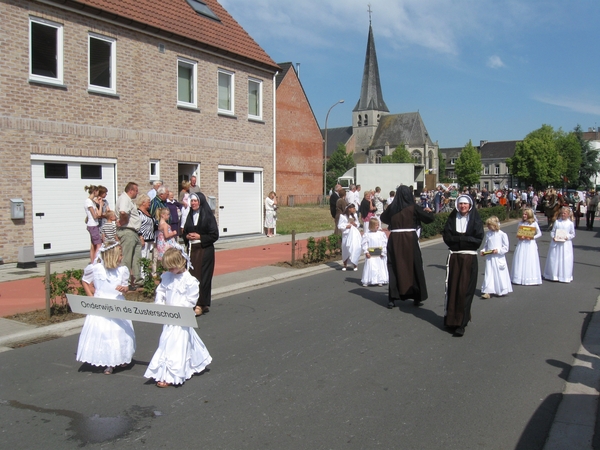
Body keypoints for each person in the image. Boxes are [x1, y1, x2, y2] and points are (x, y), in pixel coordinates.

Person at [144, 246, 212, 388]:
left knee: (176, 344)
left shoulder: (190, 281)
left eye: (172, 268)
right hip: (168, 317)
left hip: (180, 317)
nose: (170, 271)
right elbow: (161, 291)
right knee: (166, 341)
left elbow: (191, 301)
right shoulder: (167, 277)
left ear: (181, 263)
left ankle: (171, 374)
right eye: (168, 268)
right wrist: (160, 303)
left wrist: (178, 309)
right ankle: (171, 369)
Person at [76, 241, 136, 374]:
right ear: (112, 255)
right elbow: (85, 281)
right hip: (100, 306)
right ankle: (108, 361)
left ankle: (120, 358)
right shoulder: (96, 268)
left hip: (117, 304)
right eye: (120, 254)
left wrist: (124, 289)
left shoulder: (122, 270)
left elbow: (126, 287)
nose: (122, 257)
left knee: (119, 333)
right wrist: (91, 297)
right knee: (103, 333)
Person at [380, 185, 434, 308]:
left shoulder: (392, 207)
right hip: (410, 238)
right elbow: (428, 219)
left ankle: (392, 298)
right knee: (414, 266)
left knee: (394, 267)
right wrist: (430, 213)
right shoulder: (413, 207)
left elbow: (383, 218)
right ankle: (416, 296)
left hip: (395, 239)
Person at [442, 194, 484, 337]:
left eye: (465, 204)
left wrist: (459, 240)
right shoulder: (452, 218)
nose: (463, 206)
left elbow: (477, 240)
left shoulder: (475, 220)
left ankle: (461, 323)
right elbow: (447, 237)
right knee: (453, 288)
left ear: (470, 205)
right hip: (454, 257)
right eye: (460, 204)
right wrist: (465, 240)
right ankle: (451, 320)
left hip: (469, 258)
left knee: (465, 290)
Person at [182, 192, 219, 316]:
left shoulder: (208, 216)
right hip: (192, 250)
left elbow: (214, 235)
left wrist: (200, 236)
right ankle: (195, 302)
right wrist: (186, 236)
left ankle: (201, 304)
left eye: (195, 201)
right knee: (192, 277)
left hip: (205, 250)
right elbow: (185, 231)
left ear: (200, 202)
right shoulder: (189, 215)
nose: (193, 203)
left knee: (203, 278)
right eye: (191, 201)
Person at [116, 182, 142, 288]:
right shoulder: (124, 198)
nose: (137, 192)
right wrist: (123, 221)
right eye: (136, 190)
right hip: (128, 231)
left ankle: (137, 280)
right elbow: (123, 212)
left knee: (136, 257)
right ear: (131, 190)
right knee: (127, 258)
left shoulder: (128, 200)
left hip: (133, 232)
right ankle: (124, 282)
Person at [479, 216, 512, 299]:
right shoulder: (488, 234)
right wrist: (483, 251)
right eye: (488, 225)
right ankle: (488, 291)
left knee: (499, 274)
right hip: (490, 257)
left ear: (495, 225)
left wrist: (498, 250)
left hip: (498, 258)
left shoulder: (502, 234)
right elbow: (486, 246)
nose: (488, 227)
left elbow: (506, 248)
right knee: (489, 273)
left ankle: (500, 290)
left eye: (490, 225)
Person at [511, 208, 542, 285]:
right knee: (520, 258)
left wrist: (532, 237)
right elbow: (518, 233)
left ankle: (530, 277)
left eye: (526, 214)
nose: (524, 215)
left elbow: (539, 233)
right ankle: (519, 277)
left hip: (530, 244)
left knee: (529, 259)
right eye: (523, 214)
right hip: (522, 243)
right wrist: (519, 237)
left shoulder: (533, 223)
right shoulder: (521, 223)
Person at [543, 206, 575, 283]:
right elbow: (553, 231)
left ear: (568, 214)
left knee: (565, 259)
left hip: (565, 244)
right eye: (562, 213)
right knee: (555, 258)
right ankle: (553, 275)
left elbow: (573, 233)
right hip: (557, 243)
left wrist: (567, 237)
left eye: (565, 213)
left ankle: (564, 276)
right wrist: (553, 237)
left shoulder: (570, 223)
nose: (563, 214)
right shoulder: (557, 222)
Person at [360, 217, 388, 287]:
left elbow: (384, 243)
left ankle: (380, 280)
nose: (377, 226)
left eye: (378, 225)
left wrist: (383, 252)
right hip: (371, 254)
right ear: (372, 226)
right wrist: (366, 252)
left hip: (379, 254)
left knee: (379, 266)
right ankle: (368, 280)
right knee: (371, 266)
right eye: (376, 225)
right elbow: (364, 243)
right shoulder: (367, 234)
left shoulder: (381, 234)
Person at [337, 203, 361, 271]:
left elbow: (358, 224)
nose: (354, 209)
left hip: (353, 234)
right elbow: (339, 226)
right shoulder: (343, 216)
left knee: (354, 248)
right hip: (346, 234)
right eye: (353, 208)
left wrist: (355, 224)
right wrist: (347, 226)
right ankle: (345, 264)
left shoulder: (355, 215)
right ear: (349, 209)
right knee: (345, 248)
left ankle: (355, 264)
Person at [84, 185, 103, 263]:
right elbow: (95, 216)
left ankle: (93, 262)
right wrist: (101, 206)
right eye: (98, 191)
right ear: (94, 191)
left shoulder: (91, 202)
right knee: (98, 244)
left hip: (94, 225)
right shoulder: (88, 202)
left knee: (93, 244)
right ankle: (95, 262)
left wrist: (98, 203)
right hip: (93, 225)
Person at [136, 194, 155, 262]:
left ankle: (145, 272)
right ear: (143, 202)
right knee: (143, 257)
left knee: (147, 258)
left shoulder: (148, 212)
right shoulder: (138, 213)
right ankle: (141, 272)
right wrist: (140, 237)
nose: (150, 203)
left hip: (149, 239)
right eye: (148, 201)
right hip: (143, 238)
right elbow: (137, 226)